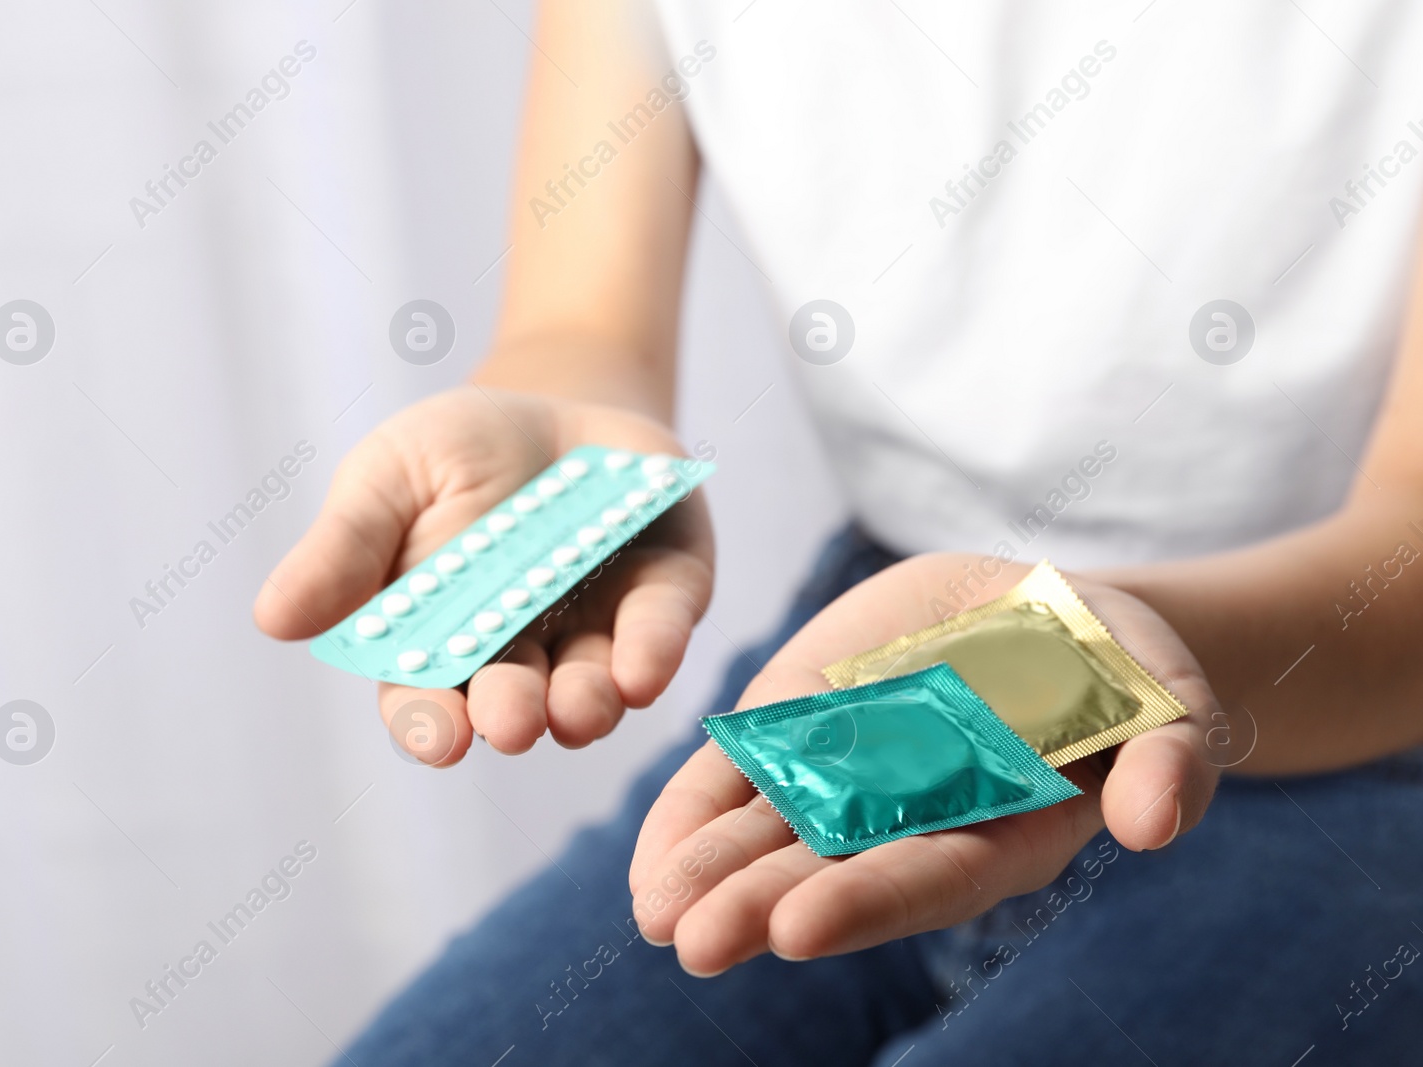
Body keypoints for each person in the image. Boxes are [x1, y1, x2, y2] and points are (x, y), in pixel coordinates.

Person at [255, 1, 1423, 1062]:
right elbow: (578, 325)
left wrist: (1097, 652)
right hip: (895, 649)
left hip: (1350, 720)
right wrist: (572, 431)